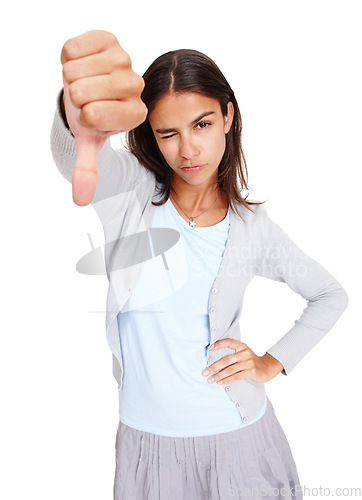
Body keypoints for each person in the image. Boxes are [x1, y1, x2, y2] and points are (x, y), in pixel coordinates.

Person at [51, 30, 349, 500]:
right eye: (167, 133)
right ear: (150, 135)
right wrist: (76, 123)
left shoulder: (253, 227)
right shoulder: (131, 196)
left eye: (202, 125)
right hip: (146, 445)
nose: (187, 150)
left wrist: (271, 363)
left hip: (239, 439)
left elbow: (331, 295)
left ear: (228, 115)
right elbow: (77, 160)